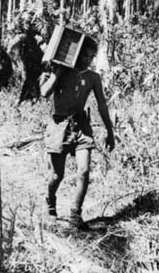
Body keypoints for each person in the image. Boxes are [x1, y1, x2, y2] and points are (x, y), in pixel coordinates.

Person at [40, 37, 115, 229]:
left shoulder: (93, 78)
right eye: (85, 55)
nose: (88, 60)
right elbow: (44, 92)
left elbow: (102, 105)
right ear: (77, 54)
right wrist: (58, 73)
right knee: (57, 176)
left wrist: (110, 130)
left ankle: (75, 213)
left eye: (91, 56)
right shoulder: (58, 71)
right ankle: (50, 202)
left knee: (84, 171)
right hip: (59, 126)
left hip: (81, 125)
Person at [9, 11, 45, 103]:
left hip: (34, 62)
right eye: (26, 23)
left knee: (34, 80)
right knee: (25, 79)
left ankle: (32, 98)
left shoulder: (34, 37)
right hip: (24, 62)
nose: (28, 26)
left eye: (29, 23)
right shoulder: (21, 36)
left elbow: (41, 49)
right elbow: (10, 48)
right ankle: (21, 99)